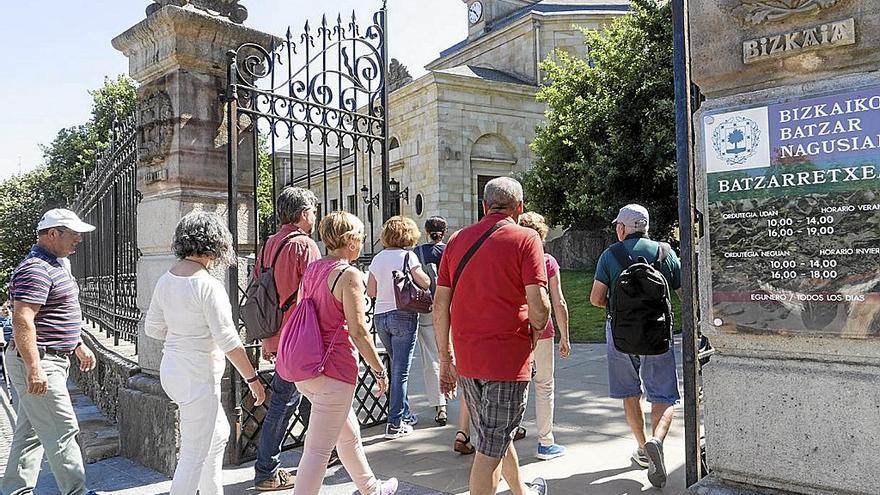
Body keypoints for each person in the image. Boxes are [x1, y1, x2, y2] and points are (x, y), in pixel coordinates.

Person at [434, 177, 550, 495]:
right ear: (520, 207)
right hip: (508, 360)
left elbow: (439, 306)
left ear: (484, 206)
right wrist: (538, 329)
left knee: (494, 434)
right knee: (489, 450)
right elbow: (539, 304)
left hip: (469, 358)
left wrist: (445, 358)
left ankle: (521, 492)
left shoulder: (456, 241)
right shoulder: (526, 239)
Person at [145, 211, 267, 495]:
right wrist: (253, 379)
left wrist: (183, 333)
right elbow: (228, 340)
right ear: (216, 243)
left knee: (217, 437)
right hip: (196, 375)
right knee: (193, 454)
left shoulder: (166, 279)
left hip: (174, 370)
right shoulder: (207, 285)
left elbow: (153, 328)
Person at [291, 211, 397, 495]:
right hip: (333, 369)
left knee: (348, 437)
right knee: (317, 451)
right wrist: (379, 368)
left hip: (309, 367)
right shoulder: (348, 274)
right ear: (350, 241)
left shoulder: (313, 269)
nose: (363, 242)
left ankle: (372, 489)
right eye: (361, 237)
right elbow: (359, 332)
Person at [1, 208, 100, 495]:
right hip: (39, 359)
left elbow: (56, 315)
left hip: (48, 357)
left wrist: (78, 345)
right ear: (53, 234)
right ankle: (77, 492)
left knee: (30, 432)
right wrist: (34, 367)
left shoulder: (55, 265)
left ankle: (13, 490)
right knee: (63, 430)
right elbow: (23, 319)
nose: (79, 239)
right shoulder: (36, 269)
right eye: (73, 234)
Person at [589, 204, 682, 488]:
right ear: (646, 226)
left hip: (620, 335)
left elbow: (595, 298)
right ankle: (657, 440)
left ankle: (643, 449)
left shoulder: (610, 255)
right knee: (663, 395)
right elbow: (682, 293)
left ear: (622, 228)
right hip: (657, 333)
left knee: (630, 393)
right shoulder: (666, 253)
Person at [253, 186, 324, 491]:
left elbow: (261, 288)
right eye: (313, 209)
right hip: (300, 335)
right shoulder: (305, 245)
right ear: (303, 213)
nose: (316, 214)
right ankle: (266, 468)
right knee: (286, 399)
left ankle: (324, 449)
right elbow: (317, 292)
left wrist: (268, 337)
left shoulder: (269, 243)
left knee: (308, 395)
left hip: (277, 333)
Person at [367, 216, 431, 439]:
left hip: (380, 317)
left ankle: (404, 413)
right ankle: (394, 423)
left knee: (396, 367)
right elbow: (424, 282)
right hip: (403, 315)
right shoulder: (408, 256)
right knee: (401, 371)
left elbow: (371, 292)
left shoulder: (377, 258)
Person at [518, 212, 572, 461]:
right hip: (543, 329)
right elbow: (557, 300)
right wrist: (565, 335)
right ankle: (545, 441)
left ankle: (511, 429)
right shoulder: (547, 260)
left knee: (515, 383)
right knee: (544, 385)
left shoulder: (512, 256)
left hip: (515, 328)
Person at [412, 216, 448, 426]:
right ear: (444, 232)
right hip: (450, 309)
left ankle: (440, 406)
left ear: (426, 231)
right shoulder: (451, 250)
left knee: (432, 359)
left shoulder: (418, 253)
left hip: (427, 309)